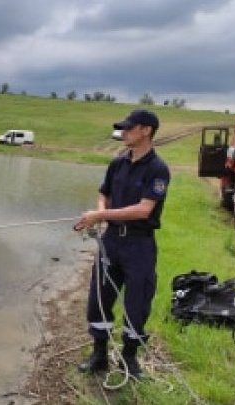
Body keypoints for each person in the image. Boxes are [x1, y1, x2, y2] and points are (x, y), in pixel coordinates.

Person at [73, 109, 170, 379]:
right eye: (123, 128)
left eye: (129, 128)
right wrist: (99, 216)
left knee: (137, 301)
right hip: (111, 240)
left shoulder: (158, 169)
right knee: (99, 298)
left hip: (139, 245)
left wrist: (100, 215)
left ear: (146, 131)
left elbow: (143, 210)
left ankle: (129, 359)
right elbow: (103, 193)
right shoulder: (118, 162)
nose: (124, 132)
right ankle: (99, 355)